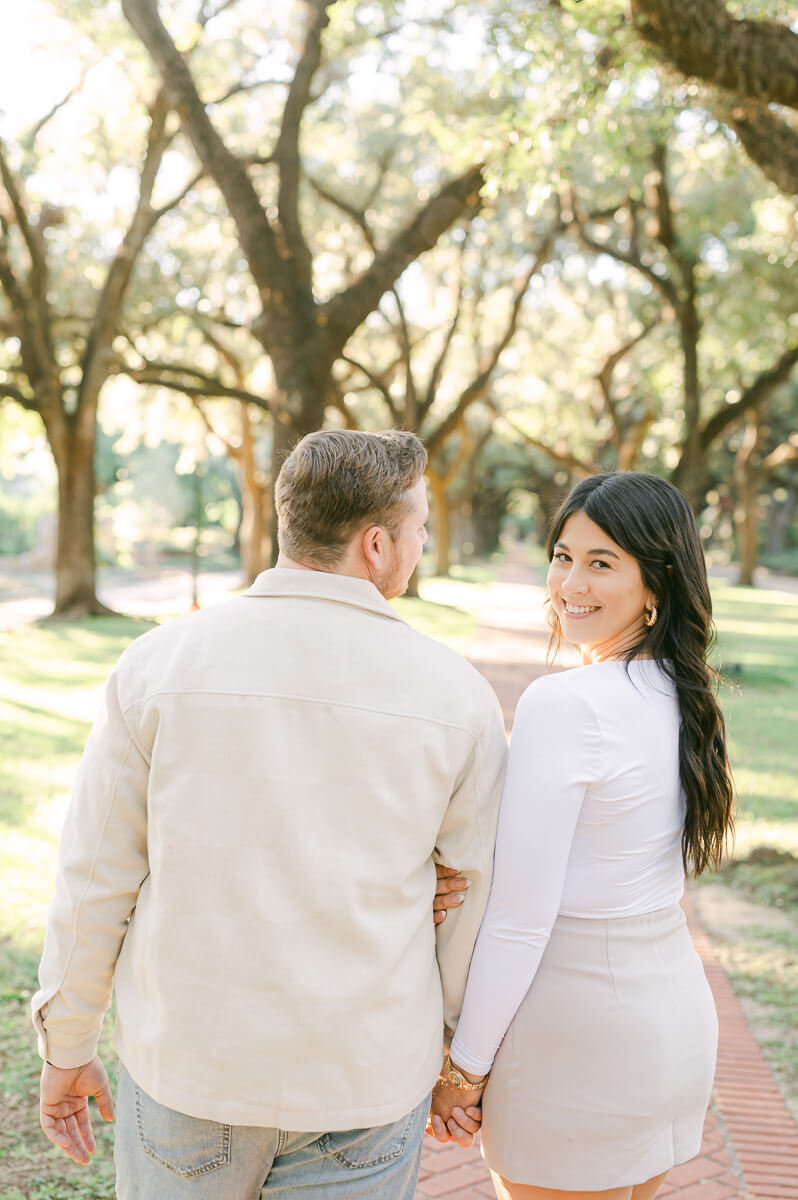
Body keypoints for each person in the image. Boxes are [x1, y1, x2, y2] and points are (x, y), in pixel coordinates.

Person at [32, 428, 507, 1200]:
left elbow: (96, 877)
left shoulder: (159, 665)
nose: (423, 543)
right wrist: (453, 1054)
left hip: (192, 1065)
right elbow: (473, 899)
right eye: (421, 527)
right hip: (365, 1075)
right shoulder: (458, 697)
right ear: (378, 545)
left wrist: (66, 1042)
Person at [429, 471, 735, 1200]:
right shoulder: (687, 693)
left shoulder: (567, 704)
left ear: (656, 581)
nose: (571, 582)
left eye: (602, 563)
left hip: (577, 1036)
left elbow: (521, 921)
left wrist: (463, 1070)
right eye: (563, 556)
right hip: (672, 1023)